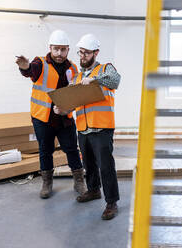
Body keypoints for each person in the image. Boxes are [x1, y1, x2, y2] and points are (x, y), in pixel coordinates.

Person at [54, 34, 121, 220]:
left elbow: (115, 81)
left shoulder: (105, 69)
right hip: (83, 129)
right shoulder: (76, 77)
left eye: (86, 53)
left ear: (95, 53)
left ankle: (111, 202)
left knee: (106, 167)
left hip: (102, 128)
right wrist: (62, 109)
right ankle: (93, 190)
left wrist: (95, 80)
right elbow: (74, 103)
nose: (82, 56)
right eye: (80, 52)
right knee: (88, 164)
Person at [15, 30, 86, 199]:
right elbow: (30, 71)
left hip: (64, 118)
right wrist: (24, 67)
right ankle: (47, 183)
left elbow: (75, 94)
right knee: (45, 150)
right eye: (56, 49)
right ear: (50, 48)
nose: (59, 53)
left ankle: (79, 181)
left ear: (68, 49)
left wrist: (67, 110)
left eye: (63, 49)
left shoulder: (73, 68)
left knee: (72, 149)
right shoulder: (40, 63)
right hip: (43, 118)